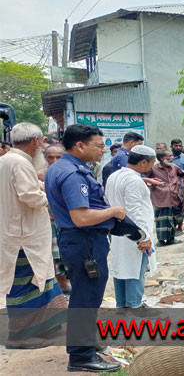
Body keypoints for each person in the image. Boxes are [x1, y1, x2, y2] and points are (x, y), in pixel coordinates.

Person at [45, 123, 125, 373]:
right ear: (80, 145)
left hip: (82, 241)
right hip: (84, 241)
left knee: (87, 294)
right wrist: (113, 211)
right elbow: (81, 217)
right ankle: (81, 355)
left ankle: (87, 342)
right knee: (86, 297)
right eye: (99, 145)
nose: (103, 150)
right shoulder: (72, 174)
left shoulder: (62, 167)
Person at [0, 123, 68, 349]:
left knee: (41, 279)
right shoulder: (19, 162)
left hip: (20, 233)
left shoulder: (8, 160)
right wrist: (54, 200)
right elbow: (28, 195)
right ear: (35, 141)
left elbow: (30, 188)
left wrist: (45, 188)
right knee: (24, 283)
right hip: (23, 237)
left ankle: (44, 326)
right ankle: (18, 336)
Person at [105, 146, 157, 309]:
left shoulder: (115, 176)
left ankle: (123, 305)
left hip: (119, 231)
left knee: (121, 268)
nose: (152, 167)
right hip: (134, 233)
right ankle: (135, 306)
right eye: (152, 163)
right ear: (143, 162)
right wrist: (143, 237)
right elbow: (134, 211)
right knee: (135, 270)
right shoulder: (134, 180)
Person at [45, 145, 71, 294]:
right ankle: (60, 286)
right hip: (49, 221)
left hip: (67, 221)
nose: (54, 160)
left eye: (58, 157)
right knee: (54, 256)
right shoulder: (40, 175)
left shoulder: (70, 173)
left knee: (65, 253)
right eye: (50, 157)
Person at [149, 150, 184, 247]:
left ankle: (171, 239)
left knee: (172, 219)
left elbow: (183, 174)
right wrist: (153, 183)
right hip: (160, 198)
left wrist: (179, 182)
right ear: (162, 159)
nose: (172, 158)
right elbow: (146, 178)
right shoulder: (153, 168)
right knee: (161, 219)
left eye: (172, 156)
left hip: (173, 196)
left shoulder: (174, 167)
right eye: (169, 156)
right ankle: (161, 240)